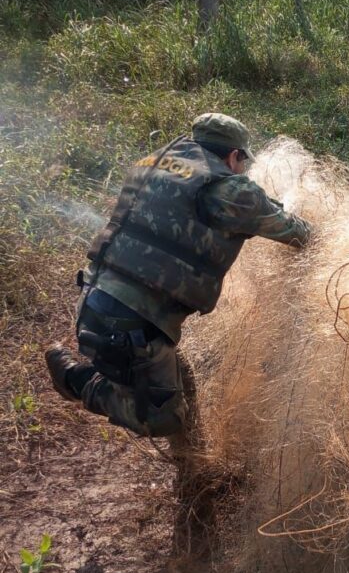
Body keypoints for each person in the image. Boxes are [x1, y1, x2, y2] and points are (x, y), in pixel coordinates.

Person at [46, 112, 311, 439]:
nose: (242, 170)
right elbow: (297, 233)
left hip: (97, 300)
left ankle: (191, 464)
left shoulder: (157, 165)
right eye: (242, 162)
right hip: (130, 324)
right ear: (233, 155)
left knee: (181, 381)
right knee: (164, 420)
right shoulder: (230, 190)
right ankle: (76, 380)